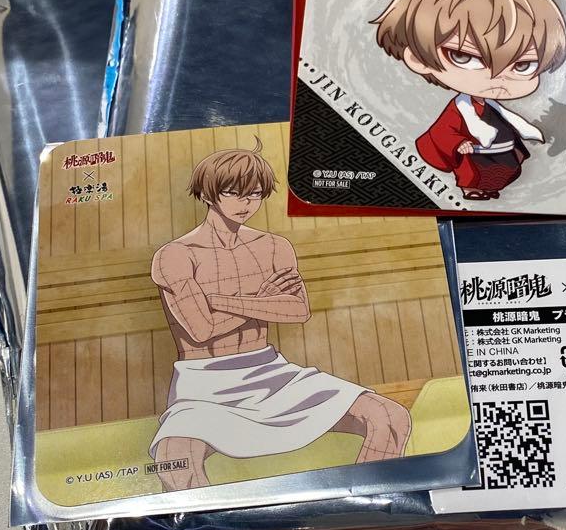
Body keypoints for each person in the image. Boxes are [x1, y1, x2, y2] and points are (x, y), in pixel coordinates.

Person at [148, 139, 410, 491]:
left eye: (255, 195)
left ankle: (364, 506)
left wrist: (223, 300)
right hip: (204, 385)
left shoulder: (274, 246)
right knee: (175, 461)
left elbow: (297, 309)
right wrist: (263, 300)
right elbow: (202, 329)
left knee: (390, 417)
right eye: (234, 193)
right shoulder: (176, 255)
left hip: (273, 372)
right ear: (209, 194)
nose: (246, 204)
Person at [372, 0, 566, 200]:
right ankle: (472, 189)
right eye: (464, 56)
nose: (497, 77)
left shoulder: (493, 107)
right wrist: (459, 143)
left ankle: (489, 188)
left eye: (523, 65)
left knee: (504, 169)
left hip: (497, 151)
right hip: (474, 153)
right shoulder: (460, 108)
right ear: (418, 58)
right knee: (474, 172)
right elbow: (443, 132)